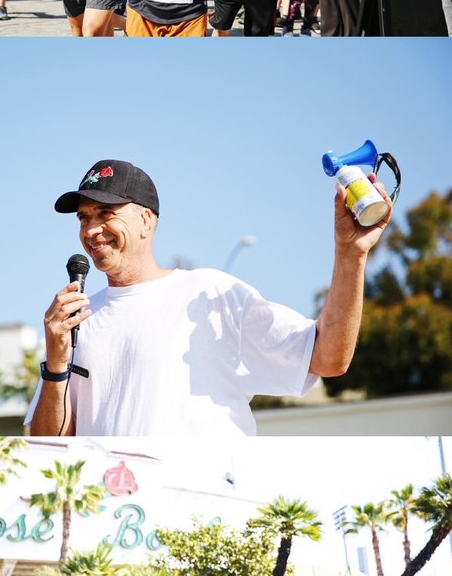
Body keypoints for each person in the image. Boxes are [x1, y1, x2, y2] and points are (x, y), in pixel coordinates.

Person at [25, 155, 392, 438]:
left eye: (105, 213)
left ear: (147, 221)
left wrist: (351, 254)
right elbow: (47, 446)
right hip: (117, 511)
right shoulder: (76, 320)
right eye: (84, 217)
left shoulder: (210, 294)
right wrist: (56, 362)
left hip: (204, 508)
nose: (91, 229)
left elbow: (328, 359)